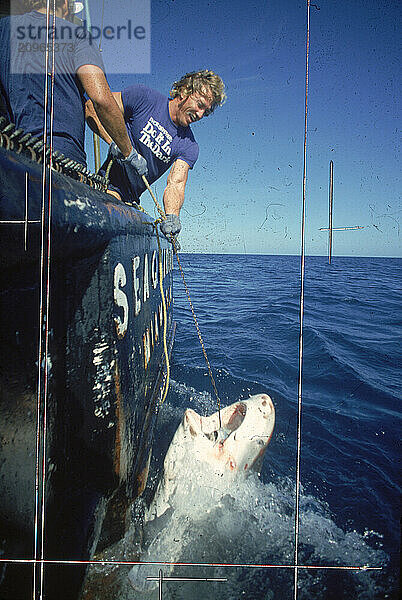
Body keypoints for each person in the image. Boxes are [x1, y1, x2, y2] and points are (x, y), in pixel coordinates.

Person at [0, 0, 143, 180]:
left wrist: (111, 141)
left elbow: (89, 108)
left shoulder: (4, 28)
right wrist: (129, 152)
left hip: (11, 155)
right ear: (66, 4)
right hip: (62, 162)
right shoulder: (78, 35)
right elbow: (101, 100)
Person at [85, 70, 226, 240]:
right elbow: (92, 107)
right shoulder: (143, 97)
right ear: (184, 92)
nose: (201, 114)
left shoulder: (189, 146)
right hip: (106, 185)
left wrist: (172, 217)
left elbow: (176, 184)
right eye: (200, 105)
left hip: (130, 202)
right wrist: (114, 142)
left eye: (206, 112)